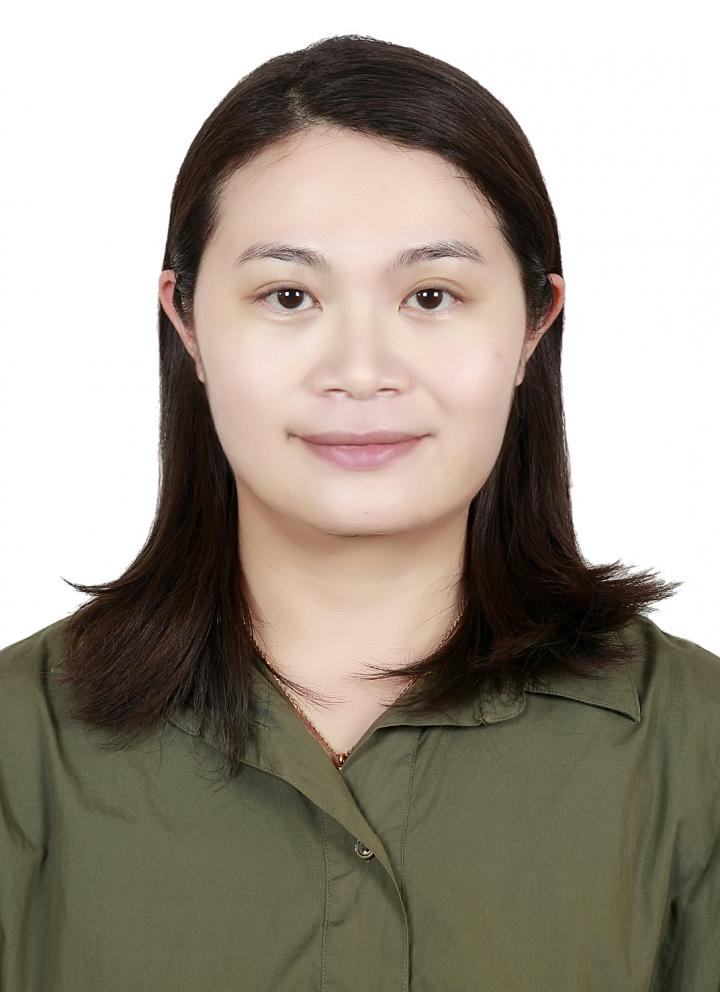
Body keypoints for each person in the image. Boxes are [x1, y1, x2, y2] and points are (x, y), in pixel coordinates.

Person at [1, 33, 718, 992]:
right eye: (289, 295)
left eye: (432, 295)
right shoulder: (19, 744)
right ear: (188, 324)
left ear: (533, 326)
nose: (361, 371)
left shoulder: (694, 747)